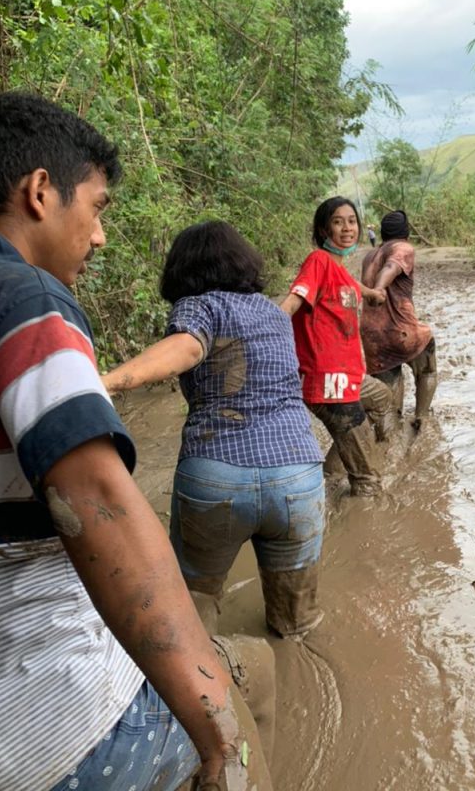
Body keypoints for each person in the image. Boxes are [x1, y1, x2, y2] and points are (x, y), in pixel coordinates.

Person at [0, 92, 271, 791]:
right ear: (40, 192)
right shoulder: (22, 299)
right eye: (98, 207)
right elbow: (100, 500)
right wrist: (217, 731)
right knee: (256, 685)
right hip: (60, 726)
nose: (101, 235)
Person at [103, 220, 326, 640]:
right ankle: (296, 676)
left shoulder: (198, 307)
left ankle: (213, 689)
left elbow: (188, 346)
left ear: (183, 269)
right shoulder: (273, 313)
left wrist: (107, 382)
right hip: (299, 474)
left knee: (194, 606)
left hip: (217, 476)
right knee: (296, 620)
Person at [280, 197, 388, 496]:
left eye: (351, 221)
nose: (347, 228)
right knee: (370, 482)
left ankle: (331, 472)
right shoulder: (318, 262)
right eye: (338, 222)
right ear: (323, 229)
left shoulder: (340, 270)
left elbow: (355, 288)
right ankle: (363, 521)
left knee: (381, 398)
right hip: (328, 382)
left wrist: (374, 294)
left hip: (348, 376)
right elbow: (294, 300)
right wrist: (267, 329)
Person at [360, 209, 437, 429]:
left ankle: (391, 431)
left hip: (372, 335)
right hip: (400, 329)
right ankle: (422, 418)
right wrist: (379, 289)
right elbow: (392, 266)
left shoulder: (369, 256)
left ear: (383, 233)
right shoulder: (403, 248)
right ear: (406, 233)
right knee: (428, 367)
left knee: (389, 386)